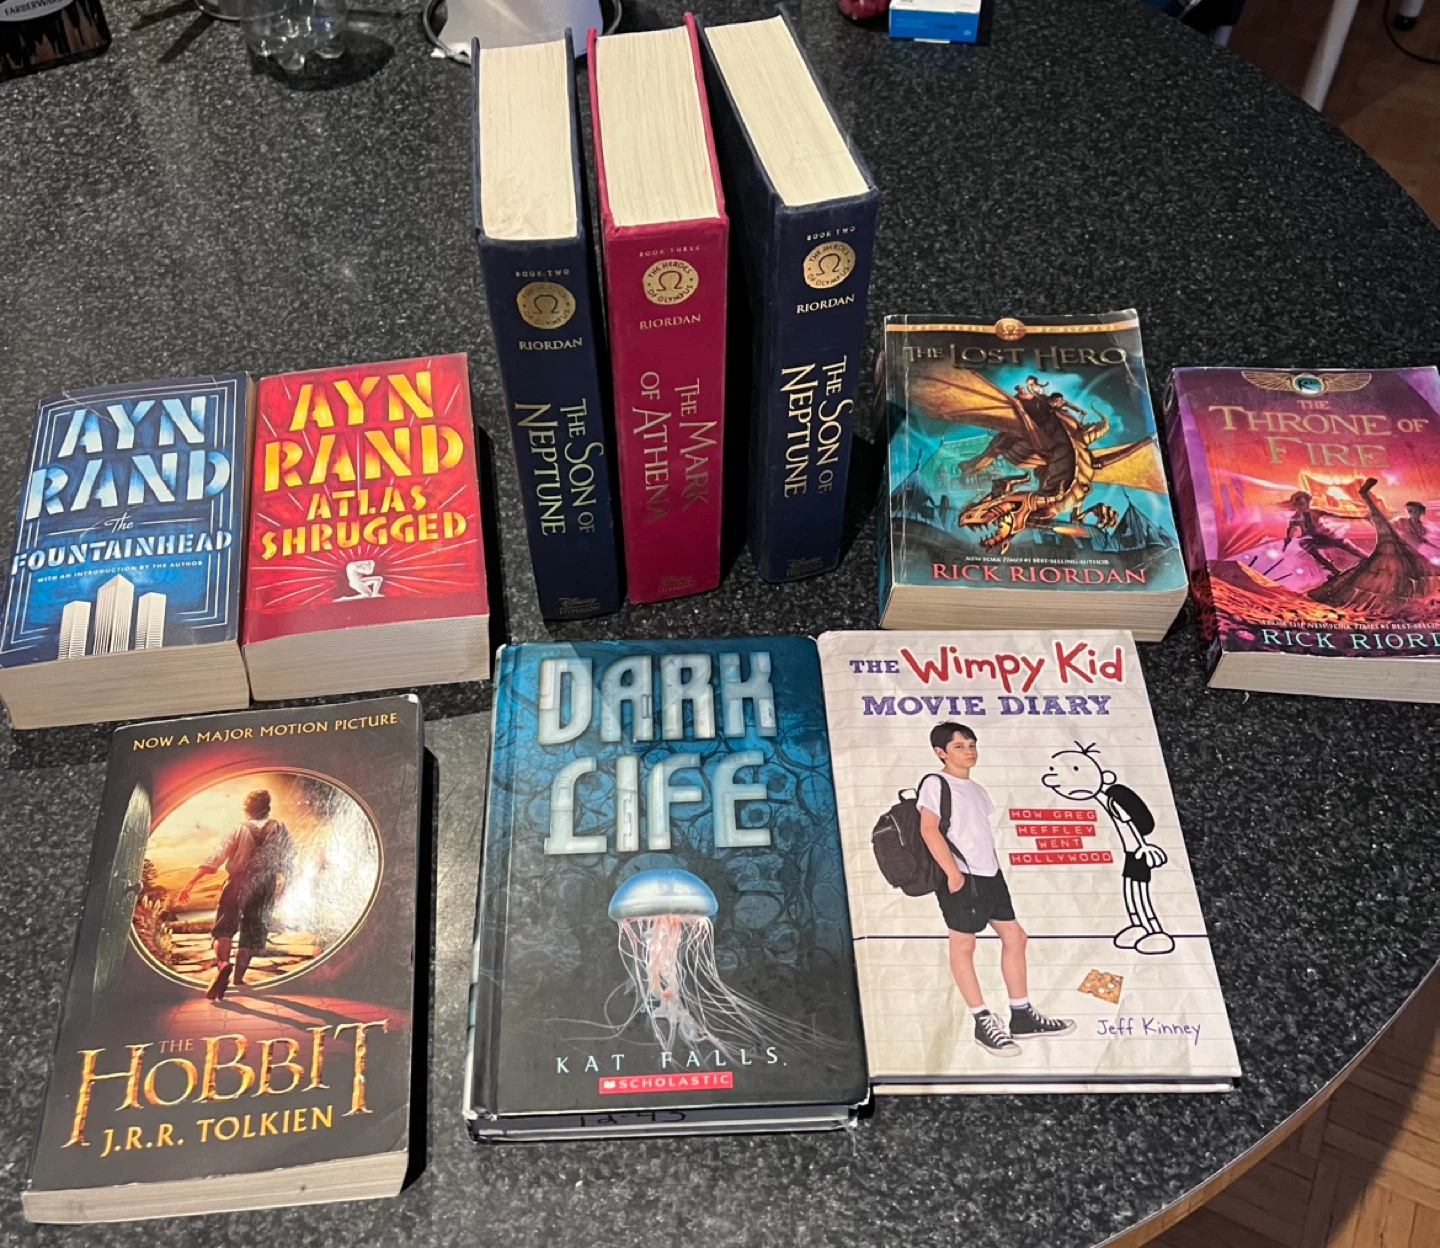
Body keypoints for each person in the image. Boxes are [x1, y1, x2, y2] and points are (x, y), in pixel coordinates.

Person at [917, 723, 1075, 1058]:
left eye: (972, 744)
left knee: (1015, 937)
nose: (969, 751)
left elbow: (977, 831)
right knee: (964, 945)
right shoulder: (935, 783)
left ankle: (1022, 1015)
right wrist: (952, 874)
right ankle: (982, 1021)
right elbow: (929, 830)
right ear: (940, 753)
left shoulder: (977, 789)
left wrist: (993, 867)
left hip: (989, 874)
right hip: (961, 875)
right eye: (959, 746)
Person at [177, 789, 296, 1000]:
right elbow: (289, 861)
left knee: (223, 929)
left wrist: (191, 882)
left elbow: (216, 857)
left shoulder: (237, 829)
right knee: (251, 934)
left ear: (247, 809)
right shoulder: (280, 829)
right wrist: (284, 888)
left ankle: (223, 965)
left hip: (237, 883)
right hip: (265, 886)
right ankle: (238, 981)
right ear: (267, 808)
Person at [1282, 490, 1366, 575]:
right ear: (1297, 505)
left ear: (1308, 502)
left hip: (1326, 535)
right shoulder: (1296, 517)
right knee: (1304, 544)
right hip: (1313, 539)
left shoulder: (1316, 512)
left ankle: (1364, 556)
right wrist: (1287, 541)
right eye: (1300, 504)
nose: (1303, 506)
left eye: (1304, 503)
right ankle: (1333, 569)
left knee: (1345, 544)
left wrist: (1357, 517)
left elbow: (1335, 515)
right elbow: (1290, 529)